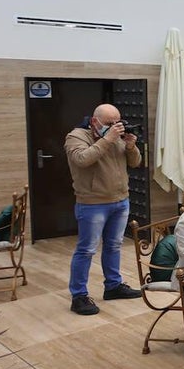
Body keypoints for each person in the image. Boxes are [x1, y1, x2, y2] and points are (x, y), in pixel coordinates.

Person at [63, 104, 143, 315]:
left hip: (120, 200)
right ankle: (79, 295)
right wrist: (108, 139)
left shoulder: (117, 136)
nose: (114, 127)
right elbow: (82, 159)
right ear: (94, 121)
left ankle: (113, 286)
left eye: (117, 121)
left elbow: (135, 163)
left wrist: (131, 146)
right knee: (87, 249)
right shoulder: (76, 136)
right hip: (92, 203)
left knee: (114, 245)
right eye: (109, 123)